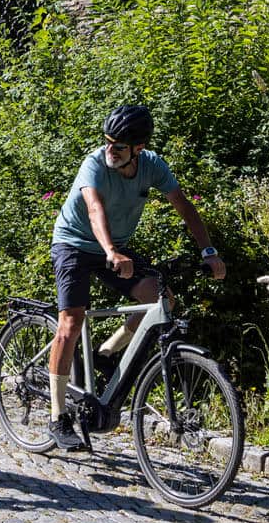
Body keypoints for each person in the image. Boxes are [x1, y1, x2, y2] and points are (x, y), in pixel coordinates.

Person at [45, 104, 225, 450]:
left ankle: (106, 352)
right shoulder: (95, 164)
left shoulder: (152, 166)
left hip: (115, 248)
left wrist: (209, 252)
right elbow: (94, 208)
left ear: (138, 149)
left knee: (162, 299)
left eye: (119, 146)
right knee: (71, 321)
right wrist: (111, 251)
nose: (110, 149)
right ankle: (57, 416)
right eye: (108, 142)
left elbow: (184, 205)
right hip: (74, 244)